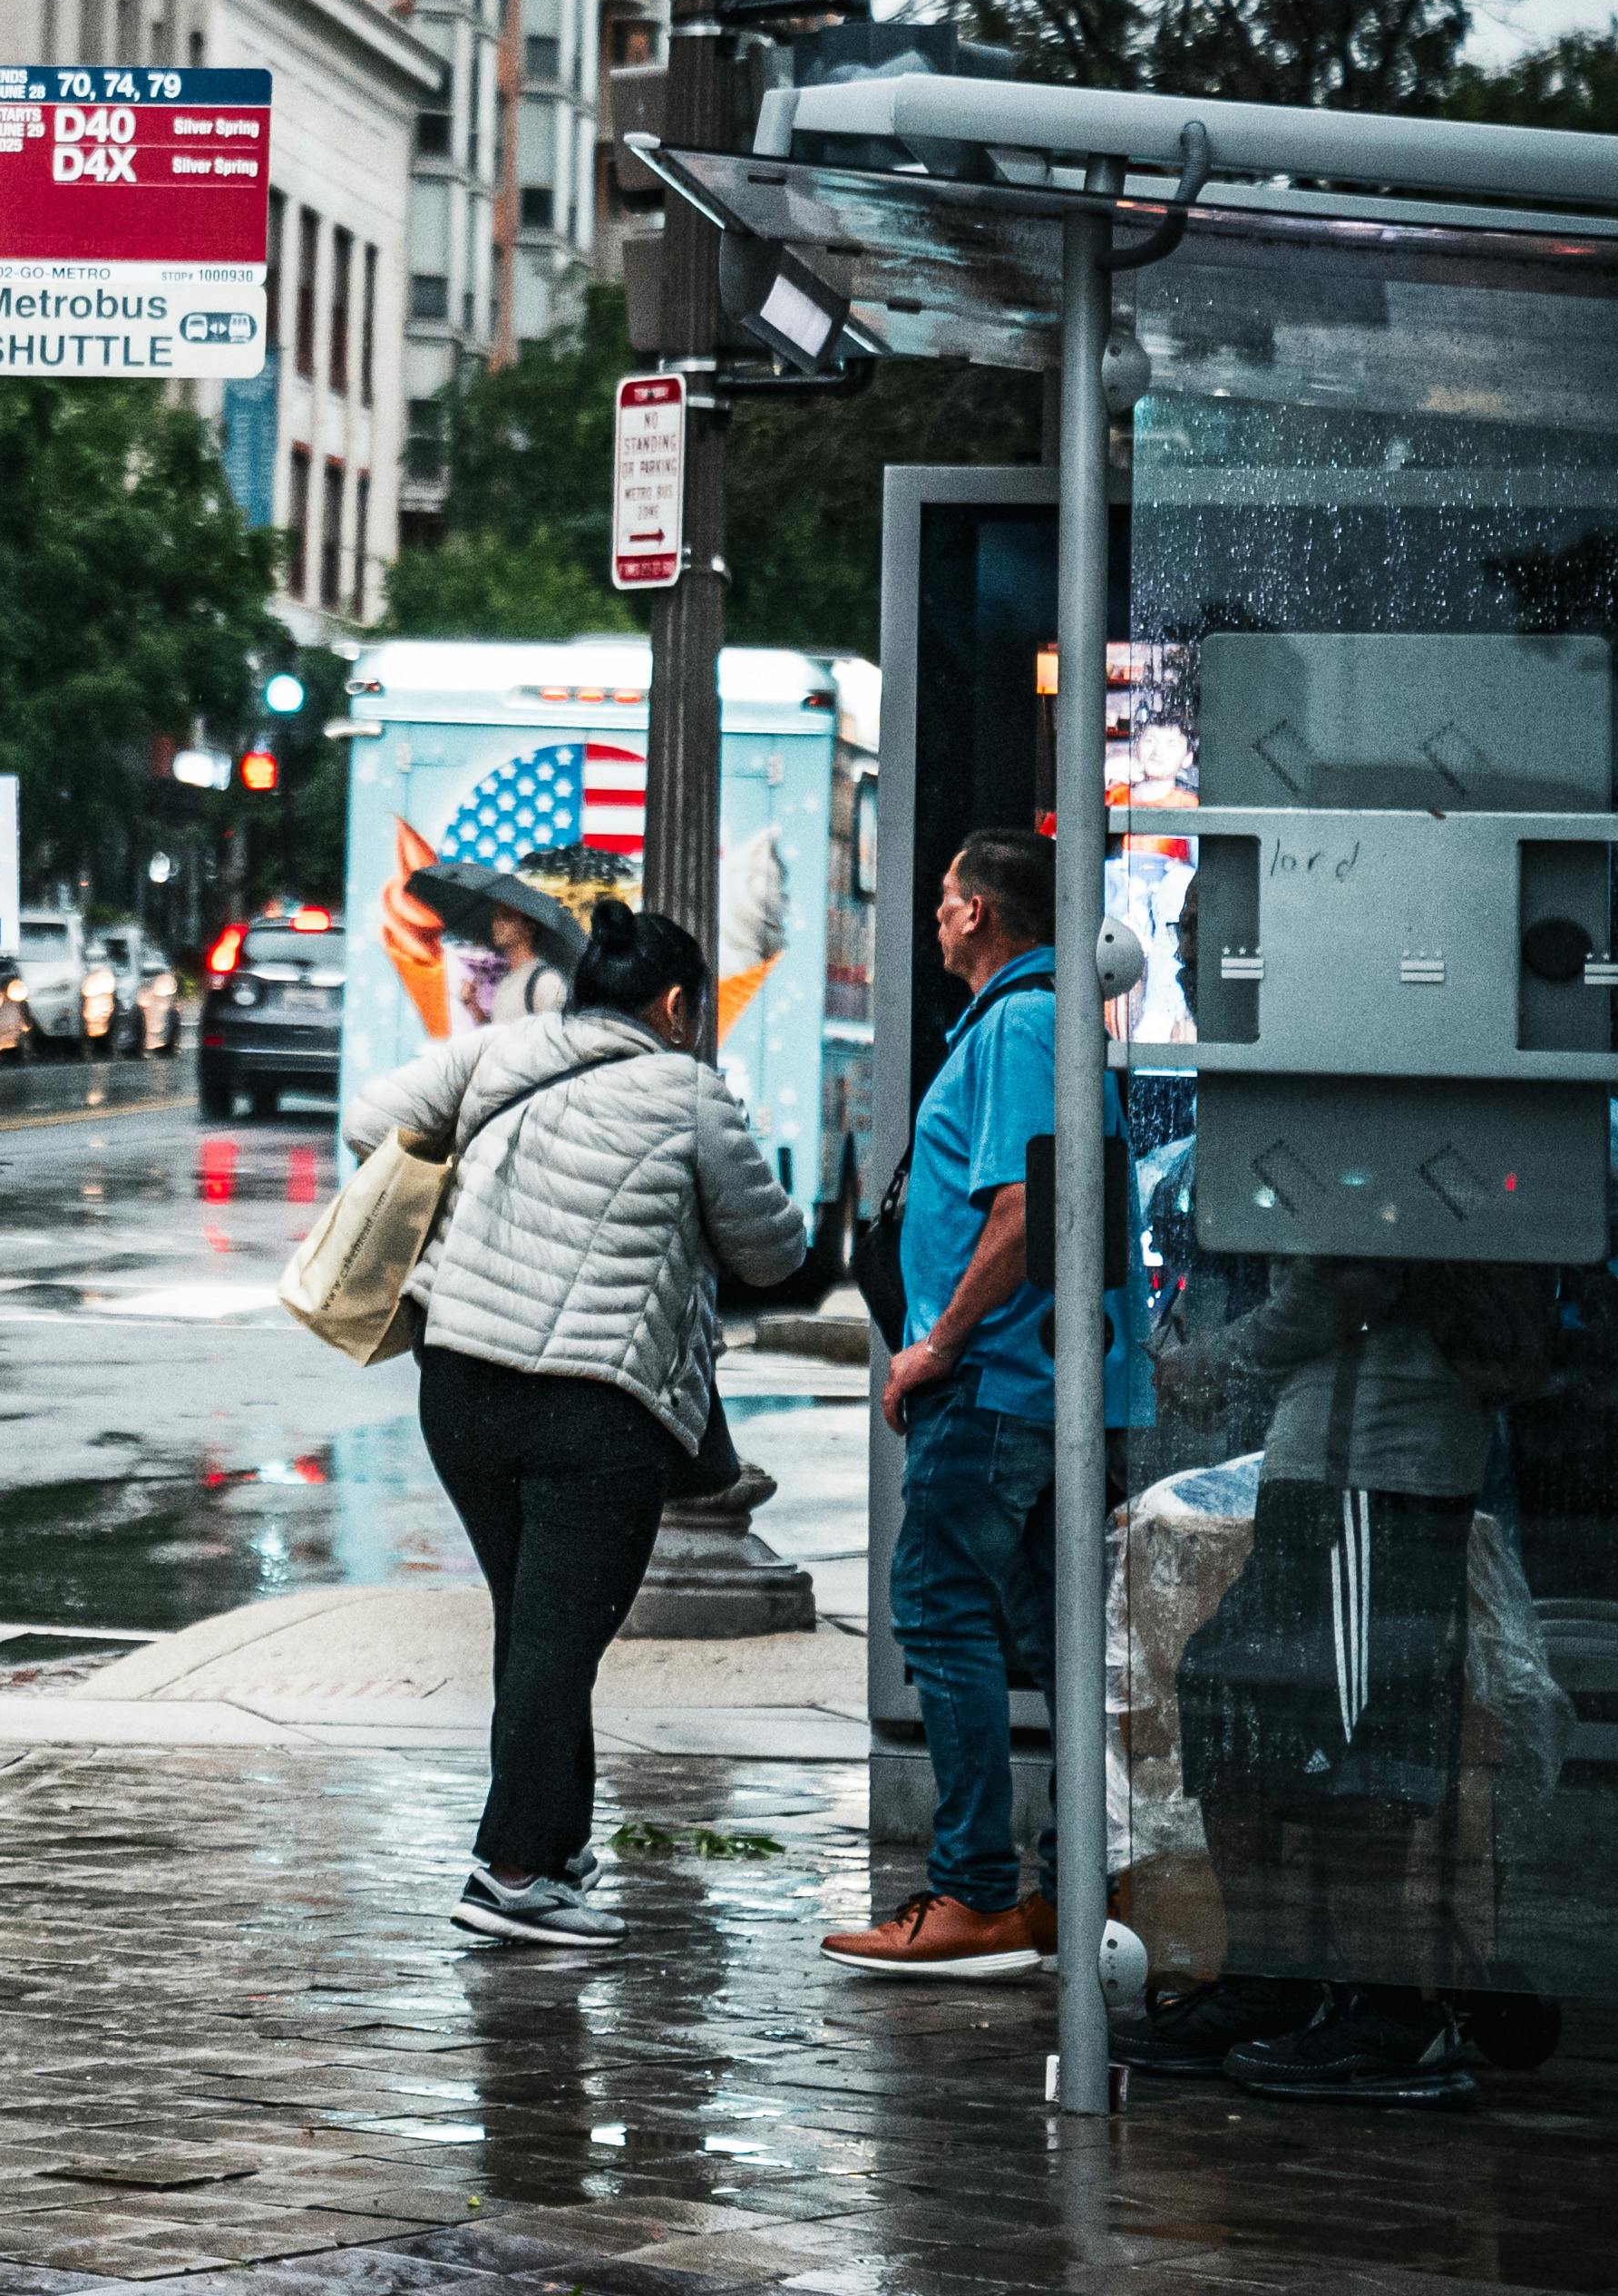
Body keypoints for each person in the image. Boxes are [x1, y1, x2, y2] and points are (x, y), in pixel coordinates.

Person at [346, 900, 810, 1950]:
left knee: (537, 1630)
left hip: (458, 1378)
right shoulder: (686, 1090)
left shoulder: (504, 1048)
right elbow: (769, 1249)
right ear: (679, 1003)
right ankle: (508, 1871)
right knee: (555, 1643)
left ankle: (551, 1851)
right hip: (589, 1401)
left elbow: (371, 1117)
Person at [825, 827, 1152, 1978]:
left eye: (944, 892)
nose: (932, 911)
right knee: (1062, 1632)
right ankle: (1076, 1883)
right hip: (1040, 1378)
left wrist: (932, 1347)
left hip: (1001, 1381)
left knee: (938, 1603)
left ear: (976, 914)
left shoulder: (1018, 1021)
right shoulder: (1041, 1018)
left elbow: (1025, 1210)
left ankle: (971, 1890)